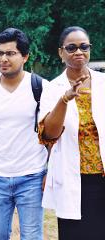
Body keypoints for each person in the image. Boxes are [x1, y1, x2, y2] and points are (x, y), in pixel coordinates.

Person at [0, 28, 48, 240]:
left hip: (32, 176)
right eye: (0, 53)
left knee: (32, 236)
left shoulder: (40, 87)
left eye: (10, 53)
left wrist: (50, 172)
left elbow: (52, 134)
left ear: (25, 56)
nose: (3, 59)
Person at [39, 26, 105, 240]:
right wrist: (65, 99)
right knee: (75, 235)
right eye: (72, 47)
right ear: (61, 52)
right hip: (72, 178)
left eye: (84, 46)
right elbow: (48, 133)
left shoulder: (103, 83)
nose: (78, 51)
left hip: (101, 177)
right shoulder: (52, 88)